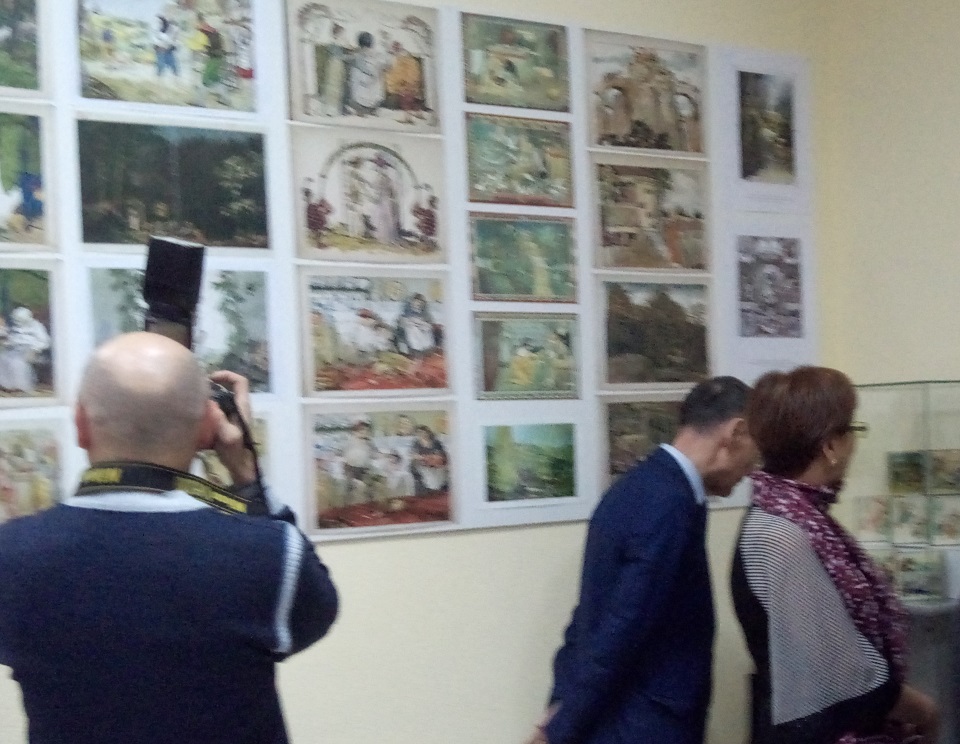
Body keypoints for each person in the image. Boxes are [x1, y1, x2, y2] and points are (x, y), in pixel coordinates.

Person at [0, 332, 339, 744]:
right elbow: (314, 614)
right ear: (208, 428)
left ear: (81, 425)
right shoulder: (272, 554)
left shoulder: (10, 556)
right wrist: (246, 473)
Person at [531, 376, 758, 744]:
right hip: (643, 725)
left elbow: (591, 615)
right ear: (736, 432)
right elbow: (622, 624)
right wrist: (561, 728)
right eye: (756, 453)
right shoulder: (670, 505)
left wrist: (561, 707)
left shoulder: (638, 486)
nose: (752, 470)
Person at [731, 366, 939, 744]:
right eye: (852, 430)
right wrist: (923, 710)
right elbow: (844, 674)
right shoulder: (783, 534)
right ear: (830, 446)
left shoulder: (793, 516)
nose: (855, 444)